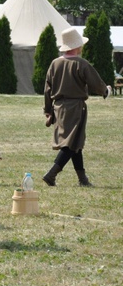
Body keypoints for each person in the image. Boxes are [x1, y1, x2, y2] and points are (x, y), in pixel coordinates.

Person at [42, 28, 111, 187]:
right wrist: (105, 91)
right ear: (76, 46)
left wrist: (48, 111)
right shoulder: (82, 64)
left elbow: (47, 89)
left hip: (59, 107)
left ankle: (83, 179)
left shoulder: (55, 63)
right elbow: (96, 83)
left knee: (75, 143)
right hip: (76, 107)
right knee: (71, 144)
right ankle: (51, 173)